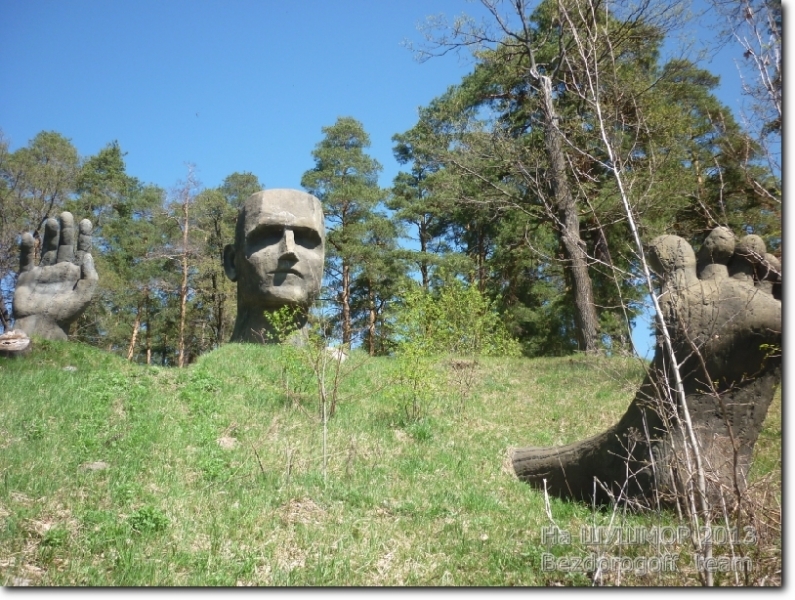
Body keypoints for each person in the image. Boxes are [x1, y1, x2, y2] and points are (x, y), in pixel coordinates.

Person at [223, 189, 325, 343]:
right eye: (268, 237)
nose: (289, 251)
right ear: (231, 262)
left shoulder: (337, 366)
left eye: (304, 239)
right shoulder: (208, 368)